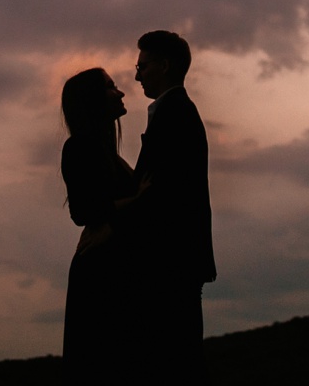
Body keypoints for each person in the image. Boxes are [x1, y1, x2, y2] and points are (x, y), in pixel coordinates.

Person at [119, 29, 216, 384]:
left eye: (142, 66)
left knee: (174, 361)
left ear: (164, 65)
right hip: (175, 260)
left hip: (169, 261)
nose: (136, 74)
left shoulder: (175, 114)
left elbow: (161, 193)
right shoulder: (174, 112)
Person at [59, 67, 137, 384]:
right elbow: (85, 210)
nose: (119, 92)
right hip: (100, 275)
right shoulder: (80, 147)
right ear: (92, 99)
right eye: (110, 87)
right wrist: (140, 199)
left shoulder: (107, 154)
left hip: (111, 271)